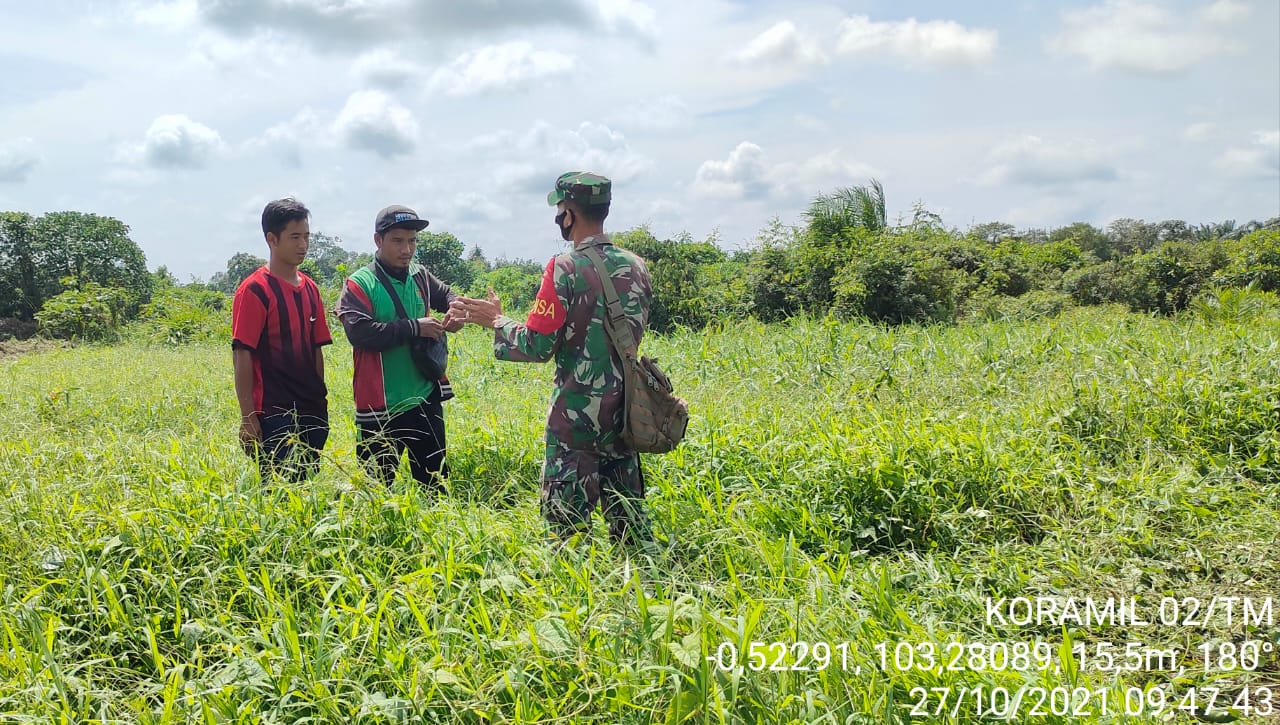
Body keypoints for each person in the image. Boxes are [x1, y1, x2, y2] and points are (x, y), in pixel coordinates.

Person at [452, 172, 654, 547]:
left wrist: (495, 321)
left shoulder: (564, 267)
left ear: (569, 214)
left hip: (575, 422)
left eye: (561, 209)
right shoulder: (638, 266)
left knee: (565, 538)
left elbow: (537, 346)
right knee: (631, 532)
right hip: (626, 414)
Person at [334, 205, 464, 491]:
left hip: (424, 399)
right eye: (398, 240)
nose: (407, 249)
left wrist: (457, 310)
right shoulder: (359, 284)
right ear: (378, 240)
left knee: (435, 486)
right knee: (377, 494)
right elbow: (359, 333)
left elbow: (448, 295)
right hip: (379, 407)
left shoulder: (420, 276)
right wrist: (414, 327)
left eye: (412, 240)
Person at [231, 197, 332, 481]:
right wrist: (248, 418)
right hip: (274, 409)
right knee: (279, 488)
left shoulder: (311, 289)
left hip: (311, 406)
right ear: (272, 239)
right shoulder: (254, 290)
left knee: (308, 483)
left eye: (306, 236)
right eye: (295, 237)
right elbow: (242, 355)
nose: (303, 245)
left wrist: (320, 399)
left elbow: (317, 349)